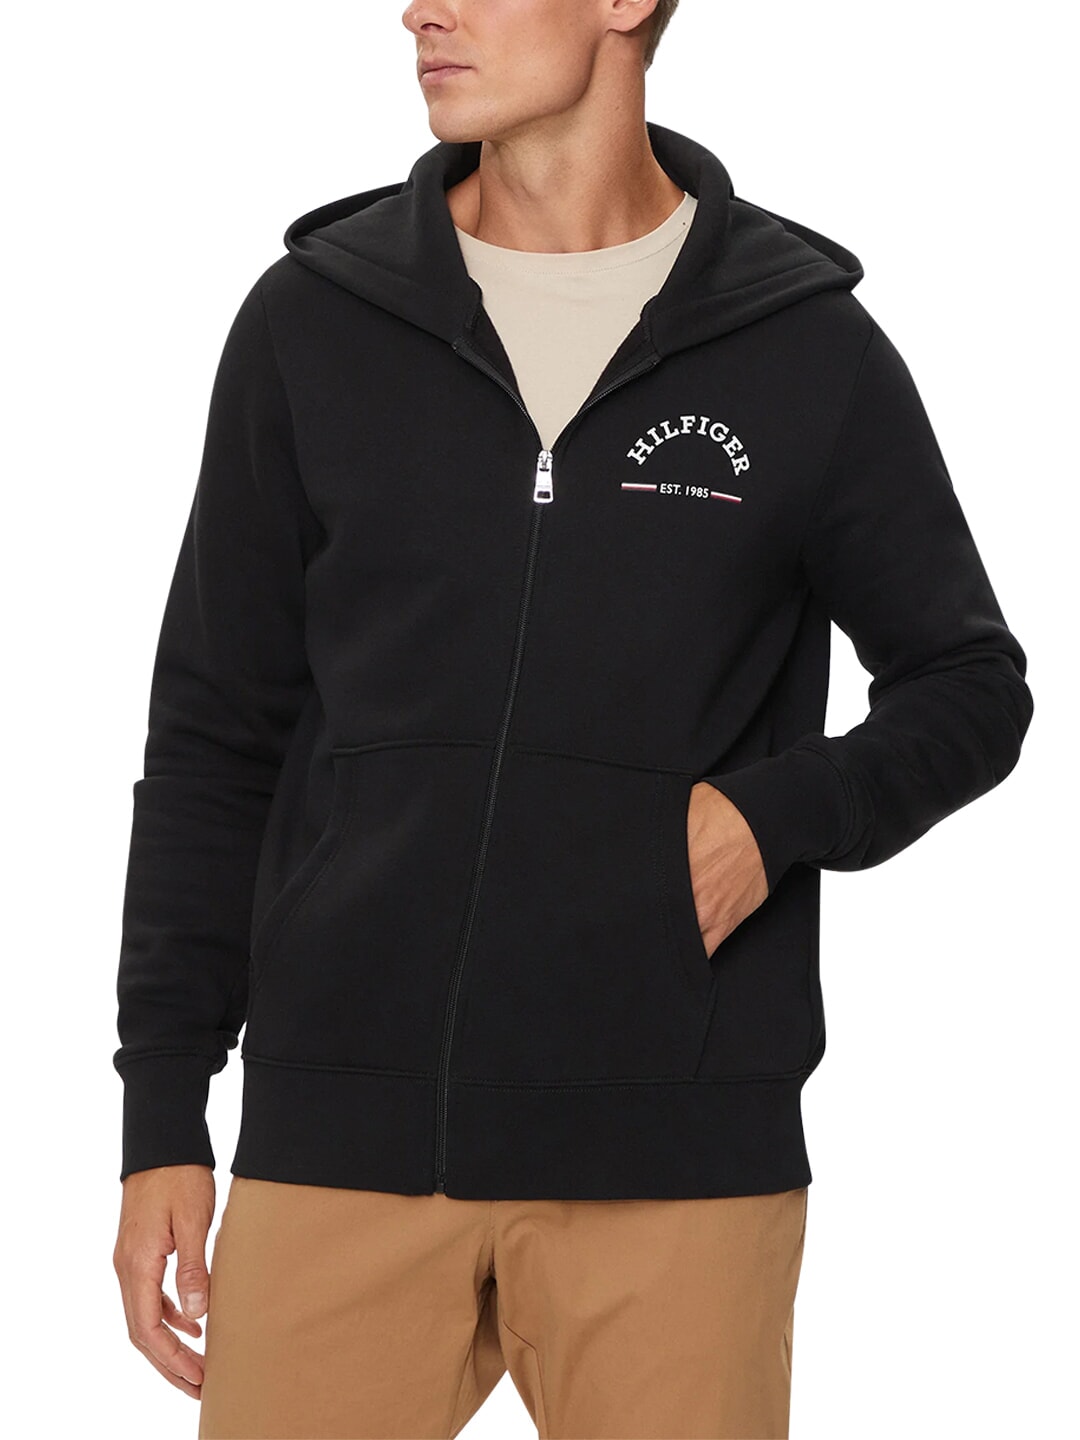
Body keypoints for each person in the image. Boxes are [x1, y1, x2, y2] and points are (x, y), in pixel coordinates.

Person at [110, 2, 1033, 1437]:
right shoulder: (315, 321)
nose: (421, 8)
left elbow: (970, 685)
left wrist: (769, 818)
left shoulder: (803, 348)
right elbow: (214, 737)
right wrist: (163, 1110)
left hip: (673, 1170)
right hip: (339, 1148)